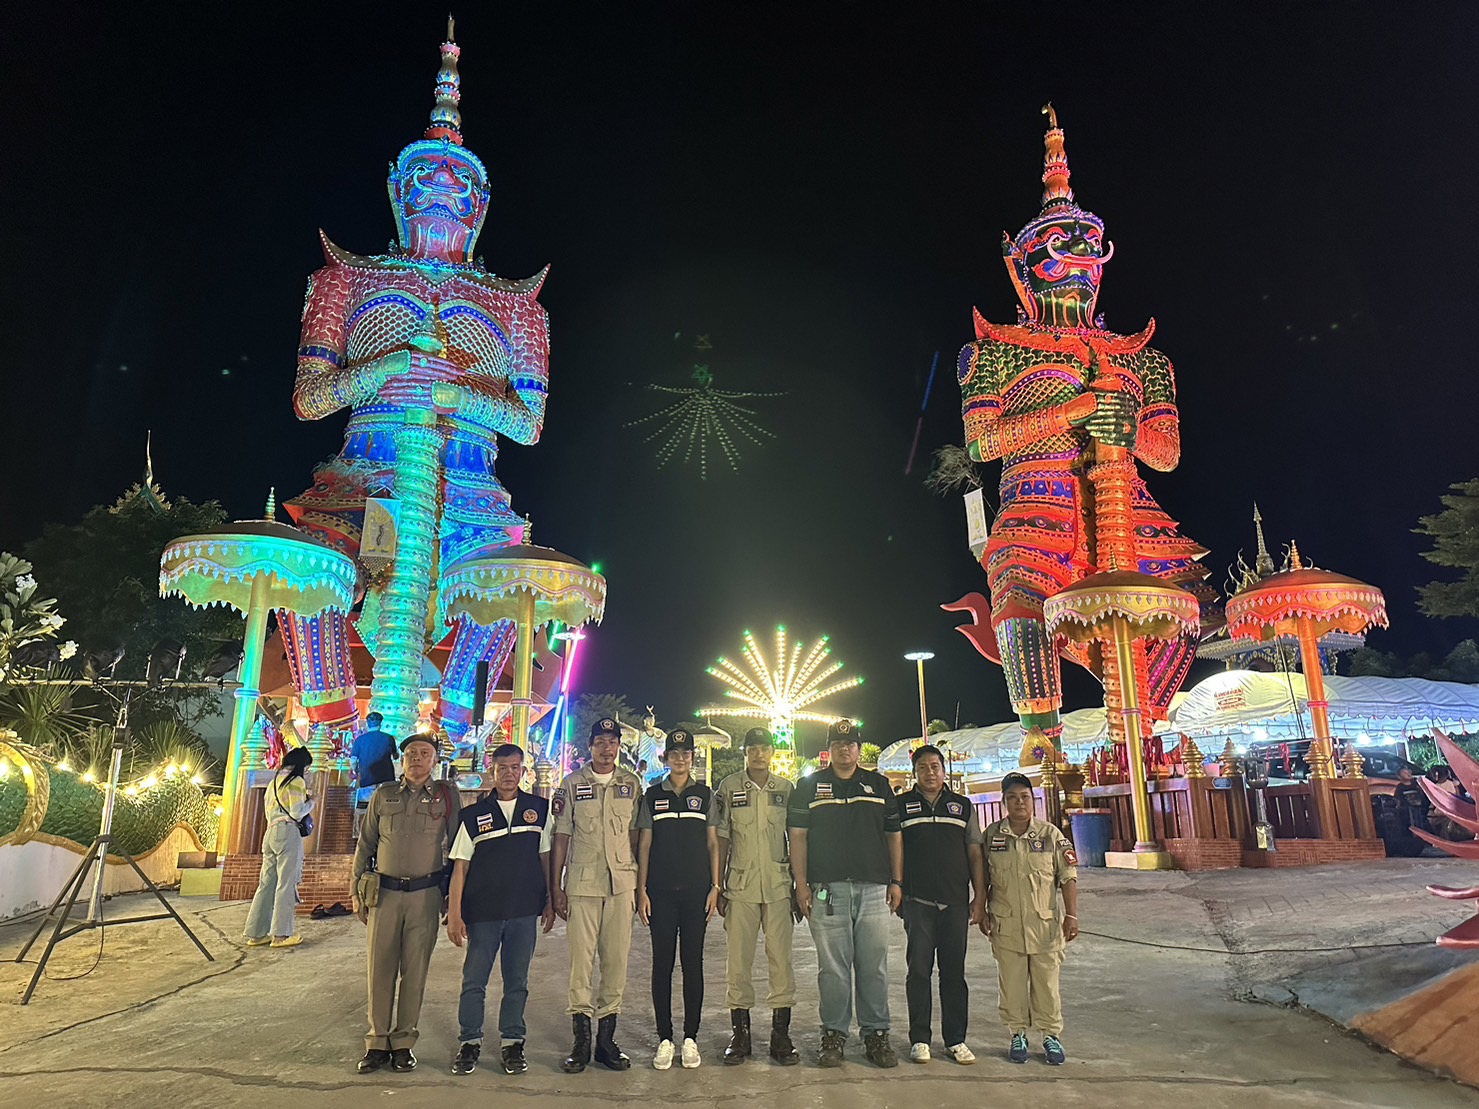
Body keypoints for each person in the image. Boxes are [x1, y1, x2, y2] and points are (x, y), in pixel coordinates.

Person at [788, 718, 903, 1068]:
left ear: (858, 748)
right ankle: (834, 1033)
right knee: (833, 968)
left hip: (873, 888)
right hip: (827, 889)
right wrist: (801, 884)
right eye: (837, 744)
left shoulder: (879, 785)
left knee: (873, 965)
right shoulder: (809, 787)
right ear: (829, 749)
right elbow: (798, 837)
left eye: (850, 744)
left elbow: (893, 835)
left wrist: (897, 880)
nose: (844, 750)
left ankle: (876, 1033)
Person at [352, 732, 461, 1075]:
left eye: (424, 753)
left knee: (414, 972)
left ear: (434, 760)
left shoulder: (446, 796)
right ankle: (376, 1042)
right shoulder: (384, 795)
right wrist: (356, 892)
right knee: (380, 970)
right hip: (384, 895)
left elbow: (458, 848)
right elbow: (365, 844)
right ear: (402, 759)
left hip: (426, 896)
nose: (417, 758)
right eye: (411, 752)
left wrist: (453, 897)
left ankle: (403, 1043)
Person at [447, 743, 556, 1076]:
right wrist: (455, 914)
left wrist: (551, 898)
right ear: (492, 771)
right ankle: (470, 1041)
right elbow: (460, 867)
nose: (509, 774)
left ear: (524, 771)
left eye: (515, 768)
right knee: (474, 981)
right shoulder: (473, 815)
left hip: (524, 911)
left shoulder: (539, 809)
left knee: (517, 981)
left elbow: (546, 858)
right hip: (483, 913)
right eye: (502, 768)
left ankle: (512, 1042)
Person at [551, 717, 645, 1073]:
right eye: (601, 742)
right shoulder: (572, 784)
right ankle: (581, 1042)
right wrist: (556, 886)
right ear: (590, 746)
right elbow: (561, 835)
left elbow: (636, 836)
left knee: (616, 962)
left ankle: (606, 1041)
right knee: (581, 963)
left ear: (619, 746)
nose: (607, 749)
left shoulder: (630, 784)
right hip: (583, 885)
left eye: (613, 742)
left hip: (621, 885)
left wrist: (639, 883)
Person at [711, 725, 799, 1066]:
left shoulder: (786, 789)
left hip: (778, 886)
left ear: (773, 752)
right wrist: (718, 885)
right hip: (740, 886)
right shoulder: (729, 787)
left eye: (764, 748)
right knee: (738, 961)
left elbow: (797, 838)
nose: (759, 754)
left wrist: (799, 884)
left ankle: (781, 1035)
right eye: (753, 749)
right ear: (745, 753)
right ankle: (740, 1035)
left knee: (781, 960)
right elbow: (722, 838)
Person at [980, 772, 1079, 1065]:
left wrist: (1071, 914)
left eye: (1024, 797)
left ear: (1033, 801)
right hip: (1006, 924)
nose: (1019, 802)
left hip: (1044, 926)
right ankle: (1017, 1033)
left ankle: (1050, 1035)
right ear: (1004, 802)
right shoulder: (992, 836)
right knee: (1011, 985)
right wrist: (981, 909)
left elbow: (1068, 876)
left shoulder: (1051, 835)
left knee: (1047, 985)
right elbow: (982, 877)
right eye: (1012, 798)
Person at [636, 727, 720, 1070]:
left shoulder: (705, 795)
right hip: (660, 893)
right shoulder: (652, 795)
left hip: (697, 892)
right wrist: (641, 889)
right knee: (662, 965)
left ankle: (690, 1038)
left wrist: (715, 886)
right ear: (665, 757)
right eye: (674, 753)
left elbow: (713, 843)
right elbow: (645, 844)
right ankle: (665, 1038)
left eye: (686, 753)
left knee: (692, 964)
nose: (680, 758)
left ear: (692, 757)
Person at [897, 744, 986, 1064]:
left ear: (944, 770)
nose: (929, 772)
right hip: (917, 902)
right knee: (919, 972)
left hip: (955, 904)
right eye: (922, 767)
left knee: (953, 973)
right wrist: (898, 890)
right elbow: (895, 851)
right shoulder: (901, 806)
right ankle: (920, 1039)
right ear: (914, 773)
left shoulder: (962, 807)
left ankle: (955, 1039)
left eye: (935, 766)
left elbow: (975, 853)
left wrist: (980, 897)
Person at [243, 745, 314, 948]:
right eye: (307, 767)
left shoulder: (273, 783)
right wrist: (312, 802)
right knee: (286, 883)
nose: (307, 771)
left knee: (266, 884)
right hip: (287, 832)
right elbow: (297, 812)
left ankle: (256, 934)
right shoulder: (296, 781)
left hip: (270, 832)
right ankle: (281, 935)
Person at [351, 712, 397, 836]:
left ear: (367, 724)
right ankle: (385, 836)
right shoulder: (389, 738)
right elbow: (396, 756)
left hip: (367, 780)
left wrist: (356, 771)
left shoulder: (360, 740)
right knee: (387, 811)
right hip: (387, 782)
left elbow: (353, 761)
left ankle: (364, 836)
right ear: (380, 724)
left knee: (365, 811)